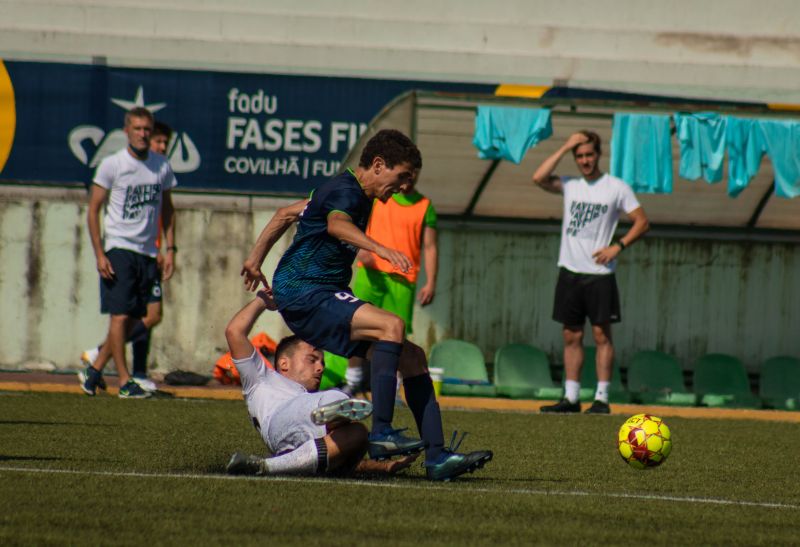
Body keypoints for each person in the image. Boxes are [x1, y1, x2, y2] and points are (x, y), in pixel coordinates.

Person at [240, 129, 492, 481]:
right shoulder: (349, 193)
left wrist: (255, 259)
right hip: (307, 293)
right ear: (378, 165)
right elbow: (336, 225)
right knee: (391, 325)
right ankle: (382, 434)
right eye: (401, 176)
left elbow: (285, 213)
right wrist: (381, 248)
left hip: (312, 294)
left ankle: (437, 457)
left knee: (413, 357)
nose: (404, 186)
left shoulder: (339, 190)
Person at [224, 290, 419, 477]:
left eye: (322, 363)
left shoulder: (305, 396)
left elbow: (339, 459)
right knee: (335, 397)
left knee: (358, 434)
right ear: (284, 363)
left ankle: (265, 466)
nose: (320, 368)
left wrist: (383, 468)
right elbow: (234, 332)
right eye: (312, 359)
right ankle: (336, 410)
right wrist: (262, 301)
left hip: (299, 439)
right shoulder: (261, 378)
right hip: (279, 419)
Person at [532, 130, 649, 414]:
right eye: (580, 156)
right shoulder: (570, 184)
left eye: (589, 155)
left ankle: (602, 398)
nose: (585, 160)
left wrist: (617, 247)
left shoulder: (616, 187)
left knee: (601, 335)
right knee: (571, 335)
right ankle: (571, 398)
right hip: (570, 271)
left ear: (598, 155)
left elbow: (642, 222)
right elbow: (538, 177)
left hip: (600, 274)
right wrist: (565, 146)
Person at [78, 107, 177, 399]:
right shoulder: (112, 164)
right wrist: (99, 252)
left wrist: (170, 248)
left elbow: (169, 209)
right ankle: (124, 381)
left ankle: (95, 368)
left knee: (141, 316)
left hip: (148, 252)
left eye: (147, 129)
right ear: (126, 131)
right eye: (137, 129)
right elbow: (93, 210)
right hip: (120, 248)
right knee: (119, 317)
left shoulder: (161, 165)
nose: (143, 134)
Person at [340, 169, 439, 396]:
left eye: (413, 173)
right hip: (370, 274)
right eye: (405, 173)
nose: (409, 179)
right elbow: (353, 223)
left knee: (396, 336)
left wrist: (431, 281)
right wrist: (360, 249)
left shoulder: (425, 205)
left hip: (402, 280)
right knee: (357, 329)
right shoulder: (382, 195)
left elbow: (431, 246)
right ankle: (352, 382)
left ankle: (391, 391)